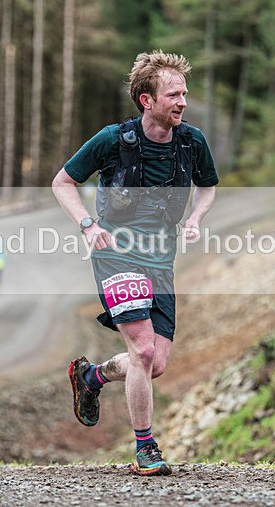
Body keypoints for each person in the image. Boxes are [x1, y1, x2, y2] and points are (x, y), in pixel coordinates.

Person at [51, 50, 218, 476]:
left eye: (184, 93)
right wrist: (87, 224)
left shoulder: (192, 142)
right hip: (116, 254)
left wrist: (196, 217)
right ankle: (146, 449)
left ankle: (91, 378)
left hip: (161, 260)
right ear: (147, 100)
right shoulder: (113, 140)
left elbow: (207, 186)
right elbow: (63, 182)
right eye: (173, 95)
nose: (183, 102)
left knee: (154, 364)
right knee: (142, 350)